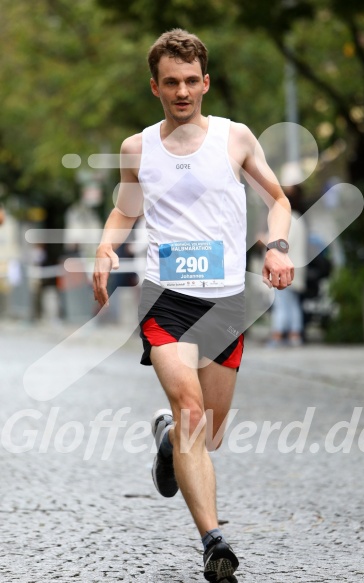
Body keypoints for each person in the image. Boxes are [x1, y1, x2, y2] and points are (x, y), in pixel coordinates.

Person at [93, 29, 294, 583]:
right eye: (170, 83)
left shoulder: (235, 139)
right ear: (154, 86)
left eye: (190, 82)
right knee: (189, 410)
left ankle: (166, 441)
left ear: (205, 83)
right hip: (166, 299)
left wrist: (276, 246)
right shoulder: (138, 149)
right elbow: (125, 210)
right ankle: (214, 542)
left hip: (227, 301)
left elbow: (278, 201)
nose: (182, 92)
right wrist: (107, 244)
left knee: (207, 435)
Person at [267, 184, 308, 346]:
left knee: (281, 303)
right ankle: (295, 335)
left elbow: (282, 242)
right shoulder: (300, 219)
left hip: (284, 266)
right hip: (298, 268)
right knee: (293, 303)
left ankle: (277, 336)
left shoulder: (288, 219)